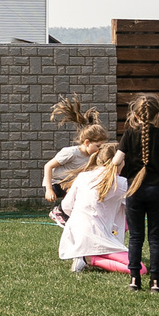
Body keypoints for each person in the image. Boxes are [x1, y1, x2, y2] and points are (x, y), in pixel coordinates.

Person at [118, 94, 159, 292]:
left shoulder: (128, 135)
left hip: (134, 191)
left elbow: (116, 161)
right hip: (156, 191)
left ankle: (134, 280)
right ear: (158, 115)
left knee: (135, 237)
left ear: (135, 115)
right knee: (156, 238)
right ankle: (155, 282)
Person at [57, 133, 128, 273]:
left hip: (76, 237)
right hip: (102, 238)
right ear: (119, 161)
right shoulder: (121, 183)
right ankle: (89, 259)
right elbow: (133, 210)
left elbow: (66, 207)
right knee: (138, 268)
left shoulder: (83, 176)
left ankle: (85, 258)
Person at [40, 95, 98, 226]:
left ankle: (77, 216)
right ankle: (58, 212)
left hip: (70, 183)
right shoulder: (71, 152)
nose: (99, 150)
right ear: (87, 142)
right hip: (55, 183)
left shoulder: (92, 155)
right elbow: (48, 166)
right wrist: (49, 189)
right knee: (79, 187)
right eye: (98, 146)